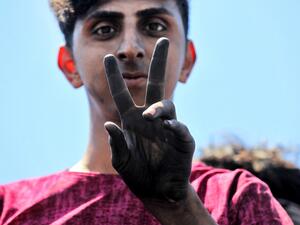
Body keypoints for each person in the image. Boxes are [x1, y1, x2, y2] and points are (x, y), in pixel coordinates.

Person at [0, 0, 293, 224]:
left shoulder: (236, 196)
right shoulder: (8, 207)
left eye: (154, 26)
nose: (130, 48)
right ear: (69, 65)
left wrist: (179, 209)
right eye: (105, 29)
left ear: (187, 61)